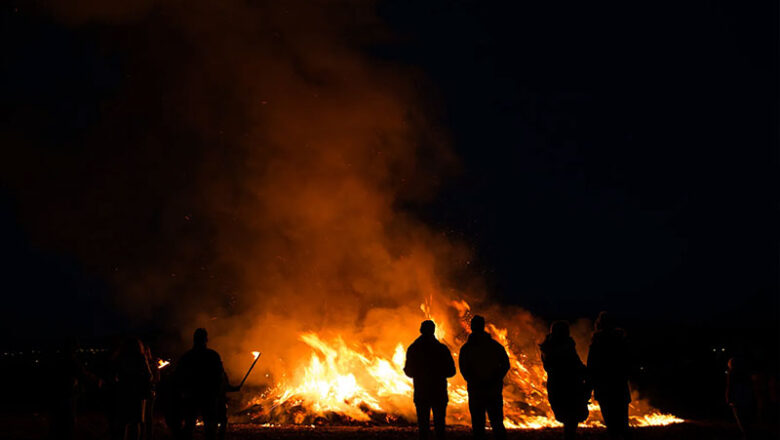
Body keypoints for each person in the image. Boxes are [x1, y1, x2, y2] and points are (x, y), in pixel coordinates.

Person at [459, 315, 510, 440]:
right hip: (492, 389)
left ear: (472, 327)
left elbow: (463, 368)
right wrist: (496, 378)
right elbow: (505, 364)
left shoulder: (467, 348)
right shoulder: (495, 346)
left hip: (477, 390)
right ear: (483, 326)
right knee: (496, 422)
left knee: (478, 423)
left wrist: (472, 380)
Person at [404, 320, 457, 440]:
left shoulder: (414, 348)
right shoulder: (442, 349)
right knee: (440, 425)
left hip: (422, 392)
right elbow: (451, 371)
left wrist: (420, 374)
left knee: (423, 426)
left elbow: (409, 372)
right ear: (433, 331)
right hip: (438, 392)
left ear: (421, 331)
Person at [540, 321, 590, 440]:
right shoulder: (564, 349)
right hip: (569, 388)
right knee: (571, 417)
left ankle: (569, 435)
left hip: (557, 387)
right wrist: (586, 374)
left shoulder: (548, 348)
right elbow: (574, 366)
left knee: (569, 419)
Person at [175, 328, 228, 440]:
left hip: (192, 395)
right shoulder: (212, 355)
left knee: (190, 425)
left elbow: (179, 377)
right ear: (206, 339)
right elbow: (219, 375)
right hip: (208, 395)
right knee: (209, 426)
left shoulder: (187, 356)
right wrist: (219, 392)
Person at [587, 312, 631, 440]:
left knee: (611, 425)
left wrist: (589, 385)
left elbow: (591, 367)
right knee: (623, 423)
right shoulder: (621, 341)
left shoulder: (596, 343)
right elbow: (628, 362)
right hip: (619, 386)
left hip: (604, 388)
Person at [726, 356, 755, 440]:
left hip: (737, 397)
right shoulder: (744, 373)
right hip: (745, 397)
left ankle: (746, 434)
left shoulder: (732, 373)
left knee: (740, 417)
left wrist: (728, 397)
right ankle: (747, 433)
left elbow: (730, 386)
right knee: (745, 416)